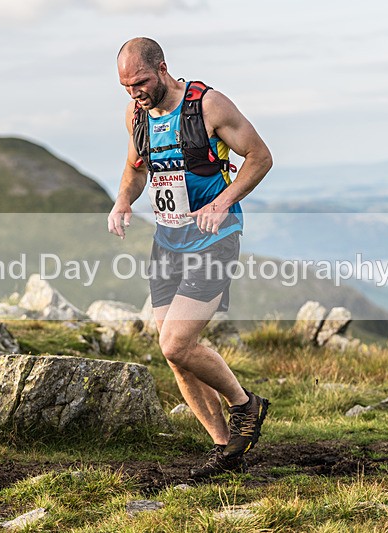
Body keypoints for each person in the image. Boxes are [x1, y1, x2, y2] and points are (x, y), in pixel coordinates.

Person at [108, 37, 273, 479]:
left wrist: (223, 203)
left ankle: (246, 405)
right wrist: (123, 200)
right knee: (175, 356)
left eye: (140, 82)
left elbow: (260, 157)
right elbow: (136, 168)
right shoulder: (136, 115)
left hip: (214, 239)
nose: (135, 93)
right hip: (168, 241)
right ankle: (226, 450)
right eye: (126, 86)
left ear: (162, 68)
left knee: (175, 342)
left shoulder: (209, 106)